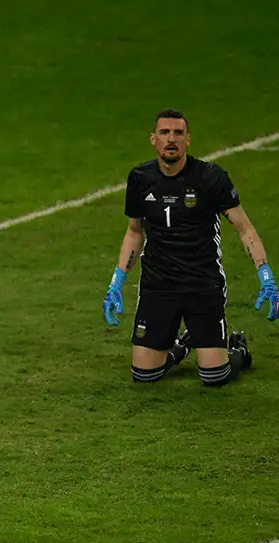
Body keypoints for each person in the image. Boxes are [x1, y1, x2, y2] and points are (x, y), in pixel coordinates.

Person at [102, 108, 278, 385]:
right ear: (153, 139)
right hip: (159, 285)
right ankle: (184, 345)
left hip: (202, 284)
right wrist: (116, 282)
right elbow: (135, 232)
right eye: (164, 132)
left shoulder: (211, 178)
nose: (171, 138)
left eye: (178, 133)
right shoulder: (140, 178)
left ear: (187, 140)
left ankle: (238, 352)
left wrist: (265, 276)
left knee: (214, 376)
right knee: (144, 375)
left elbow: (244, 228)